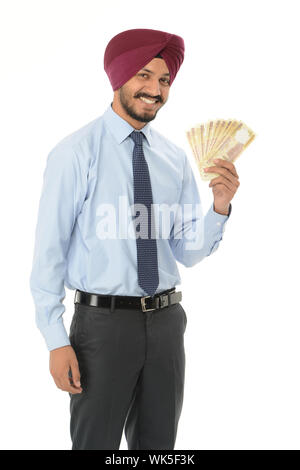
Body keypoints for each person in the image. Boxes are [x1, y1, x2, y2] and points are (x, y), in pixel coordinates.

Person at [29, 28, 240, 450]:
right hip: (102, 328)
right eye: (144, 75)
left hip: (166, 324)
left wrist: (218, 207)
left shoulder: (173, 158)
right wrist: (55, 339)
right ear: (120, 76)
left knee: (158, 449)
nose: (155, 90)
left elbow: (185, 250)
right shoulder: (76, 153)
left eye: (164, 80)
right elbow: (48, 254)